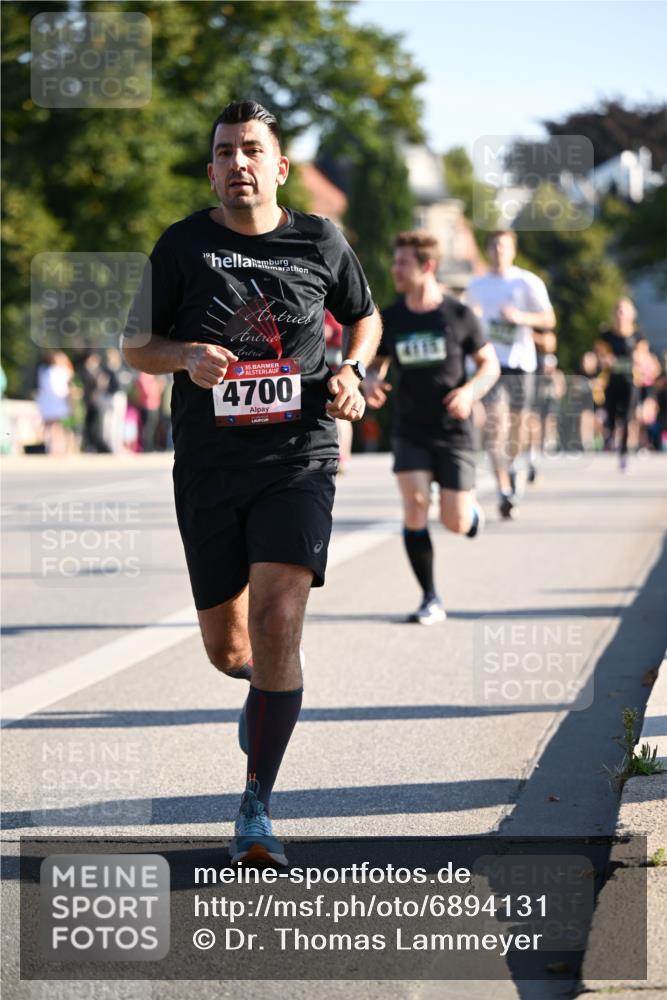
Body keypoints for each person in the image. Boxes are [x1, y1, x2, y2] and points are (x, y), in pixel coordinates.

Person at [123, 99, 381, 866]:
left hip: (297, 458)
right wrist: (184, 357)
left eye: (252, 150)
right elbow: (137, 344)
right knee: (227, 647)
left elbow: (362, 318)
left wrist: (353, 372)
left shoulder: (319, 239)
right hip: (208, 468)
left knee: (276, 617)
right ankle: (264, 687)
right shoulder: (180, 247)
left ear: (279, 167)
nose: (238, 162)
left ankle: (255, 805)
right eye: (225, 152)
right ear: (212, 171)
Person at [364, 231, 499, 624]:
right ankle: (430, 598)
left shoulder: (458, 315)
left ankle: (470, 515)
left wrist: (470, 393)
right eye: (395, 262)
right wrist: (372, 381)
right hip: (411, 428)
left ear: (427, 266)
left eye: (402, 263)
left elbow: (489, 365)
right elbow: (377, 362)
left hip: (453, 428)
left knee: (454, 522)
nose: (395, 269)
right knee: (416, 506)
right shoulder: (392, 318)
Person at [466, 231, 555, 518]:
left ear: (513, 250)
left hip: (521, 363)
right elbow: (464, 321)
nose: (497, 250)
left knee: (517, 428)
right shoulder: (477, 285)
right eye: (493, 245)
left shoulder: (527, 281)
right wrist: (473, 319)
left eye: (503, 245)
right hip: (490, 363)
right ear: (487, 249)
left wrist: (521, 318)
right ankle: (504, 489)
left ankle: (513, 467)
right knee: (495, 423)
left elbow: (548, 319)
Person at [594, 298, 640, 471]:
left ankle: (624, 451)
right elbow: (599, 354)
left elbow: (643, 355)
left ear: (631, 314)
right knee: (611, 416)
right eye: (618, 310)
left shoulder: (637, 335)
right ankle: (610, 436)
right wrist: (606, 359)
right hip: (612, 381)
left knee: (627, 417)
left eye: (624, 310)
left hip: (630, 381)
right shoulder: (606, 335)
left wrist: (638, 359)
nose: (621, 314)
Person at [324, 309, 353, 471]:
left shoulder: (332, 313)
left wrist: (331, 333)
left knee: (341, 415)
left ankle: (342, 456)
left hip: (337, 372)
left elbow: (346, 335)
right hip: (316, 373)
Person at [35, 351, 73, 455]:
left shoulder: (49, 371)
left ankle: (55, 447)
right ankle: (53, 447)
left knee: (55, 426)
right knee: (53, 426)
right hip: (54, 402)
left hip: (53, 403)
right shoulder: (52, 372)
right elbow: (58, 389)